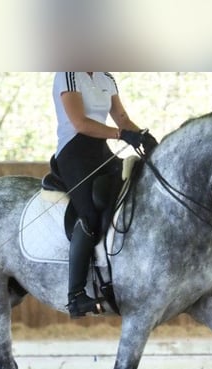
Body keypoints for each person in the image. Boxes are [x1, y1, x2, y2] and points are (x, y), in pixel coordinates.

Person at [52, 72, 157, 318]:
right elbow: (80, 123)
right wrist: (121, 135)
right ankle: (76, 295)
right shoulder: (68, 74)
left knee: (129, 198)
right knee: (88, 214)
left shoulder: (106, 78)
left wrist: (141, 135)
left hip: (101, 150)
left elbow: (120, 117)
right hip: (74, 152)